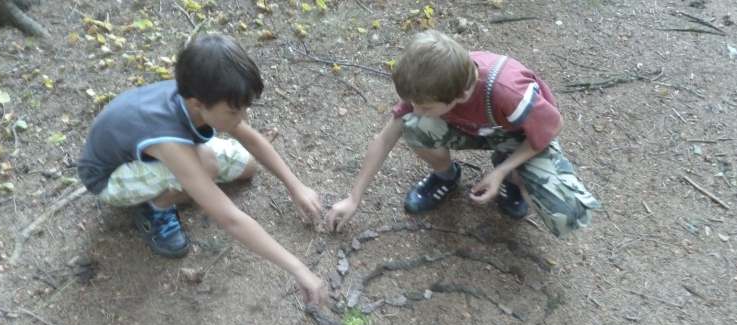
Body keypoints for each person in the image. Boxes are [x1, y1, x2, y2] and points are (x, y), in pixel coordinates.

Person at [78, 33, 325, 305]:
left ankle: (178, 187)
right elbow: (230, 218)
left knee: (247, 166)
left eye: (244, 108)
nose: (242, 118)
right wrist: (299, 269)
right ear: (197, 104)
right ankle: (156, 207)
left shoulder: (203, 91)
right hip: (110, 179)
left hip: (149, 149)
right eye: (234, 112)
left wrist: (296, 186)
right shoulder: (169, 140)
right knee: (206, 166)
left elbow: (251, 138)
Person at [325, 30, 600, 237]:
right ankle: (446, 176)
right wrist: (354, 197)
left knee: (567, 213)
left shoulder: (508, 93)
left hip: (518, 135)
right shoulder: (431, 82)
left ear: (464, 92)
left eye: (426, 106)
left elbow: (551, 128)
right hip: (475, 127)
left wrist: (503, 171)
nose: (416, 108)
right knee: (414, 126)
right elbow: (385, 139)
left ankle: (514, 180)